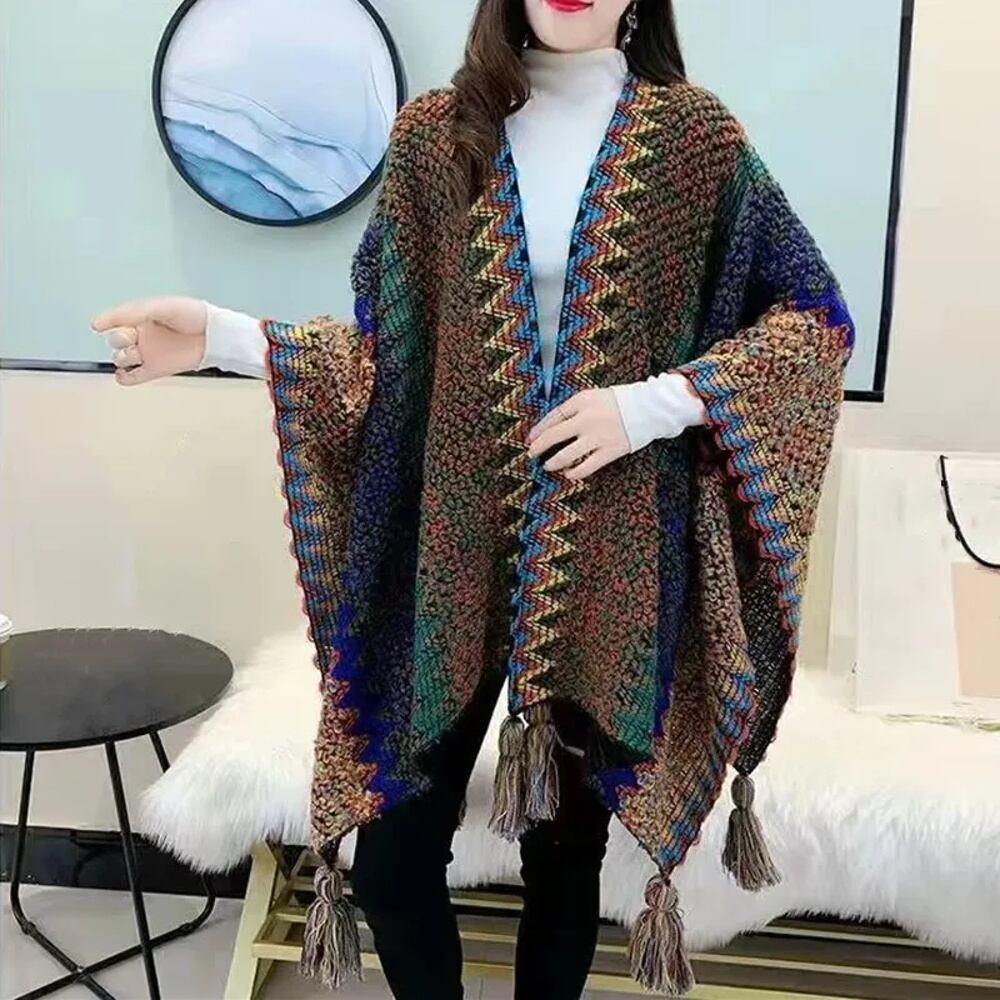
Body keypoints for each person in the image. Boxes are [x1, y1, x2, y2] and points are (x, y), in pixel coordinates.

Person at [93, 1, 854, 997]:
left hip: (612, 557)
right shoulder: (436, 137)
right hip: (450, 552)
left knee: (565, 864)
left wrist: (654, 404)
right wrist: (225, 338)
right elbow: (385, 361)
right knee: (394, 859)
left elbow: (813, 321)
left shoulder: (694, 142)